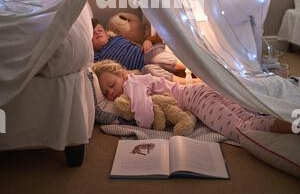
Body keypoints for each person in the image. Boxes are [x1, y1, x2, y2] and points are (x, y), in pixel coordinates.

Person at [92, 60, 294, 143]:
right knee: (246, 115)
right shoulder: (134, 83)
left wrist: (135, 119)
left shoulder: (132, 83)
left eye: (111, 84)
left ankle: (292, 125)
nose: (110, 93)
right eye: (104, 92)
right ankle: (291, 121)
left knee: (240, 127)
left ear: (121, 74)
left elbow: (145, 117)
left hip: (195, 99)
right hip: (199, 93)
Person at [92, 19, 194, 84]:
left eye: (99, 30)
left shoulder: (116, 38)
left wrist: (147, 41)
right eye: (93, 34)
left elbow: (138, 44)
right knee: (147, 70)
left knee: (150, 57)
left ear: (106, 32)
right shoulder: (97, 58)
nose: (97, 33)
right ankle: (187, 82)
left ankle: (192, 66)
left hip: (149, 53)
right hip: (142, 68)